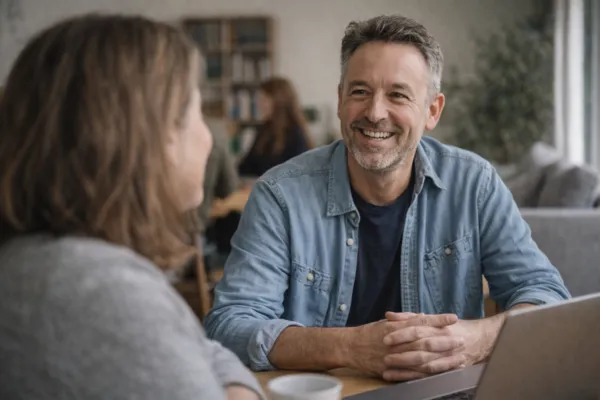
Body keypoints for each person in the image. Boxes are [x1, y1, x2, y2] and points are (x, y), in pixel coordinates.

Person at [204, 14, 570, 382]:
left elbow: (546, 296)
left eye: (397, 95)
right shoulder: (279, 194)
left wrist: (478, 339)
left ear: (432, 111)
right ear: (339, 99)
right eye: (360, 91)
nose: (375, 113)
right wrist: (349, 347)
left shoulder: (475, 184)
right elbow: (230, 325)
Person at [0, 14, 262, 400]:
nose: (207, 135)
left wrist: (233, 384)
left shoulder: (47, 263)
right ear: (150, 137)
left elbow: (196, 348)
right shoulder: (101, 295)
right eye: (196, 111)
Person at [237, 77, 314, 178]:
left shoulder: (295, 135)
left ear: (278, 102)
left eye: (264, 100)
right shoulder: (264, 130)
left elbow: (297, 178)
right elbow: (245, 167)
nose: (259, 105)